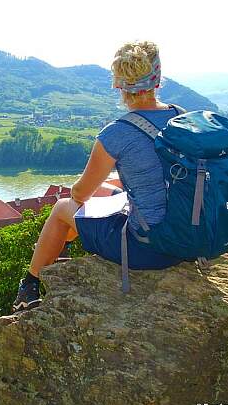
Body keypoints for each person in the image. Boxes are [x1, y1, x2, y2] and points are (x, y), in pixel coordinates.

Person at [13, 41, 184, 312]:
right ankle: (57, 250)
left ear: (119, 85)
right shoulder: (182, 118)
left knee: (61, 209)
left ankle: (29, 288)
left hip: (147, 248)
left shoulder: (117, 133)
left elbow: (79, 194)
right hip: (184, 239)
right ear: (158, 79)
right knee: (109, 190)